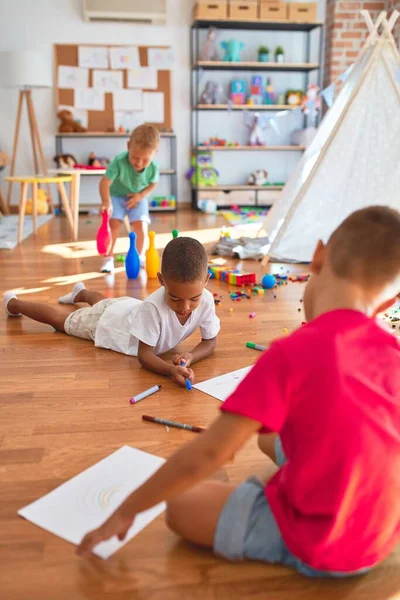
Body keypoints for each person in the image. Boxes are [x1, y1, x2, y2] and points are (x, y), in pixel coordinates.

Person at [78, 206, 400, 578]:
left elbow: (210, 453)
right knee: (269, 440)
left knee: (182, 506)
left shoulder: (290, 354)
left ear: (318, 257)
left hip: (322, 545)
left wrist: (126, 510)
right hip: (383, 534)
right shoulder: (393, 352)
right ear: (388, 304)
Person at [4, 238, 219, 387]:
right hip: (108, 324)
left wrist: (191, 356)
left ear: (206, 281)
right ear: (161, 281)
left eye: (194, 299)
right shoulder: (153, 308)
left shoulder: (207, 300)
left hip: (126, 310)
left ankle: (81, 293)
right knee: (60, 321)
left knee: (104, 303)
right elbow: (144, 355)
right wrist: (170, 371)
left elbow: (210, 342)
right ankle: (14, 303)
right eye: (174, 298)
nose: (185, 307)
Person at [99, 124, 160, 273]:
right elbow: (105, 182)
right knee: (113, 225)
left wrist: (140, 196)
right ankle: (108, 259)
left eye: (145, 160)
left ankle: (139, 257)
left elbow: (153, 184)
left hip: (138, 197)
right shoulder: (118, 161)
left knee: (141, 228)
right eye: (135, 157)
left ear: (154, 153)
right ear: (128, 146)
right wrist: (106, 202)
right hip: (117, 196)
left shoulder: (153, 167)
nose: (139, 163)